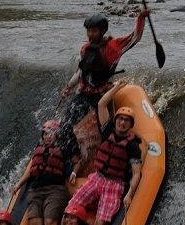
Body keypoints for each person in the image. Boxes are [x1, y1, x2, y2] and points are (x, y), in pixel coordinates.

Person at [57, 10, 150, 156]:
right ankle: (66, 156)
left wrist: (141, 17)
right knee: (66, 125)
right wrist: (68, 87)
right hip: (82, 95)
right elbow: (80, 72)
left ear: (102, 31)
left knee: (106, 132)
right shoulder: (85, 49)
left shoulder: (114, 46)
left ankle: (111, 157)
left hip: (101, 97)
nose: (90, 34)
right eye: (88, 31)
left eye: (93, 31)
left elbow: (135, 37)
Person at [67, 79, 142, 225]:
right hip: (97, 178)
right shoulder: (108, 129)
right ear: (115, 121)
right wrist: (118, 87)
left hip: (114, 185)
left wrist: (129, 194)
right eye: (120, 119)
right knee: (70, 209)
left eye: (126, 121)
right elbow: (102, 104)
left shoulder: (132, 145)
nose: (122, 122)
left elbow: (136, 173)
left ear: (130, 125)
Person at [11, 120, 81, 225]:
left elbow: (77, 161)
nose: (47, 137)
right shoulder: (39, 147)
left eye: (50, 134)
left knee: (50, 221)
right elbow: (31, 170)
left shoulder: (64, 147)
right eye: (45, 134)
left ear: (56, 135)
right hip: (36, 190)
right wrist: (18, 184)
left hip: (55, 189)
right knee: (35, 224)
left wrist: (74, 173)